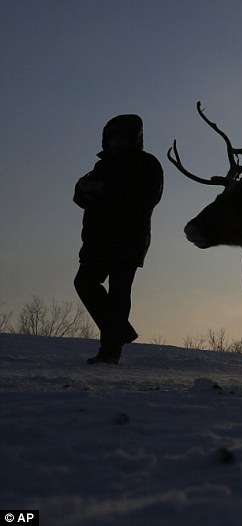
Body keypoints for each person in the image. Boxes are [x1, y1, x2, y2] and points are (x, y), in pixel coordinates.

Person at [73, 114, 163, 364]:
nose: (117, 143)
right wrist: (87, 190)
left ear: (134, 139)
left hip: (128, 241)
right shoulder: (102, 166)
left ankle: (110, 351)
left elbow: (146, 198)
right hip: (97, 240)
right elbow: (81, 194)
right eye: (112, 138)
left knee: (119, 293)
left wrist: (103, 191)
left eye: (122, 138)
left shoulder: (147, 164)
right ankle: (120, 331)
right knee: (84, 283)